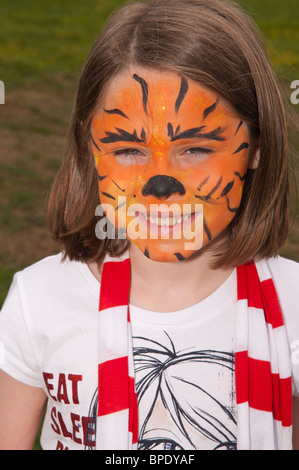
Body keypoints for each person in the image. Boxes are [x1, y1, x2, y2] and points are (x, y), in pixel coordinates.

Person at [0, 0, 298, 451]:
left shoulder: (293, 307)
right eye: (128, 150)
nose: (162, 185)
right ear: (90, 147)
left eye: (195, 149)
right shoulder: (38, 301)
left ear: (256, 145)